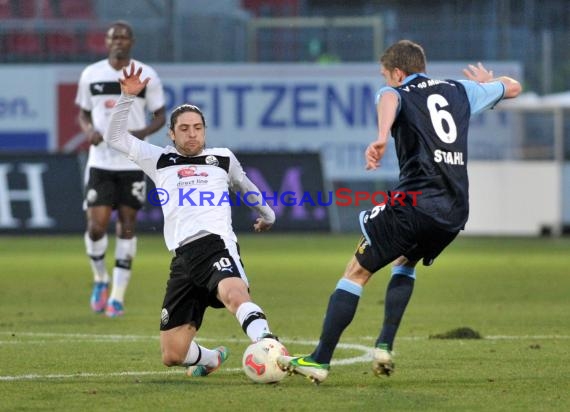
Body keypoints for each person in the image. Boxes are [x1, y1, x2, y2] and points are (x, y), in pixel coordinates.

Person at [277, 39, 522, 384]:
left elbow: (390, 98)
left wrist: (380, 135)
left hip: (415, 203)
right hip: (453, 211)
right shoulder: (460, 90)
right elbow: (513, 87)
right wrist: (486, 84)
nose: (386, 82)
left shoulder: (395, 90)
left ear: (397, 72)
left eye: (386, 75)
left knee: (356, 272)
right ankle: (384, 346)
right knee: (405, 261)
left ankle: (319, 360)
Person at [103, 63, 279, 376]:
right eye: (184, 128)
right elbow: (114, 135)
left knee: (233, 294)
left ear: (205, 130)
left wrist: (267, 215)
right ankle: (211, 359)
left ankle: (268, 343)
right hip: (182, 258)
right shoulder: (158, 159)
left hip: (214, 244)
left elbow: (247, 188)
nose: (192, 133)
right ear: (171, 134)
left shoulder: (222, 158)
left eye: (197, 127)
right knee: (172, 354)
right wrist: (127, 97)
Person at [75, 20, 166, 317]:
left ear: (132, 42)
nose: (119, 41)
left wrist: (138, 135)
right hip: (100, 161)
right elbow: (84, 113)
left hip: (131, 161)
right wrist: (88, 130)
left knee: (127, 225)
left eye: (124, 37)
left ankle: (117, 296)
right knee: (95, 226)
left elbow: (161, 116)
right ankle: (100, 278)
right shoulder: (91, 74)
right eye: (114, 37)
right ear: (106, 41)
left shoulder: (146, 74)